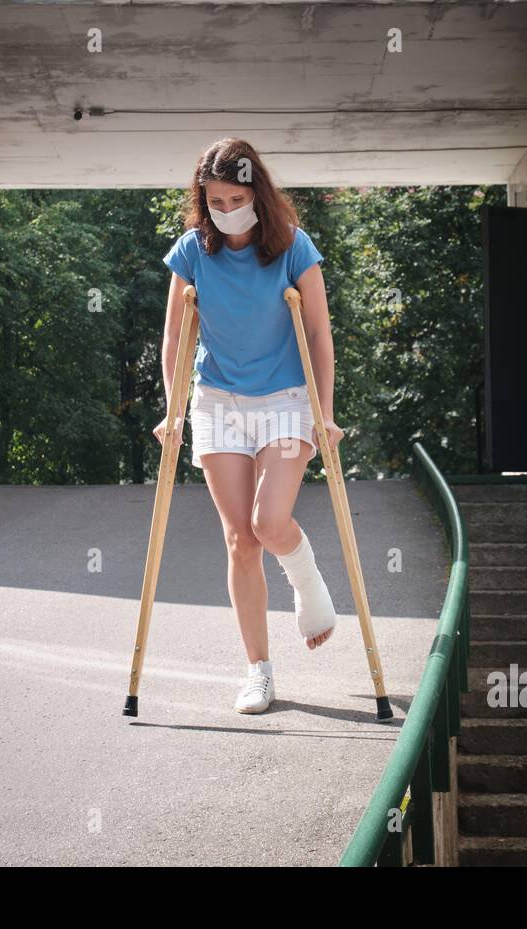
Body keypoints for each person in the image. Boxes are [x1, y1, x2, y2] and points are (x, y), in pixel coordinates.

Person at [154, 138, 344, 715]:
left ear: (256, 193)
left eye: (236, 197)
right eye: (214, 199)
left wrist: (326, 413)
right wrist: (174, 407)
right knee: (240, 539)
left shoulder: (292, 246)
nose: (226, 208)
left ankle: (306, 580)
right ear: (202, 199)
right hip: (218, 402)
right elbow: (172, 339)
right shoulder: (192, 251)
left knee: (269, 522)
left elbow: (317, 333)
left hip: (287, 398)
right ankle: (259, 669)